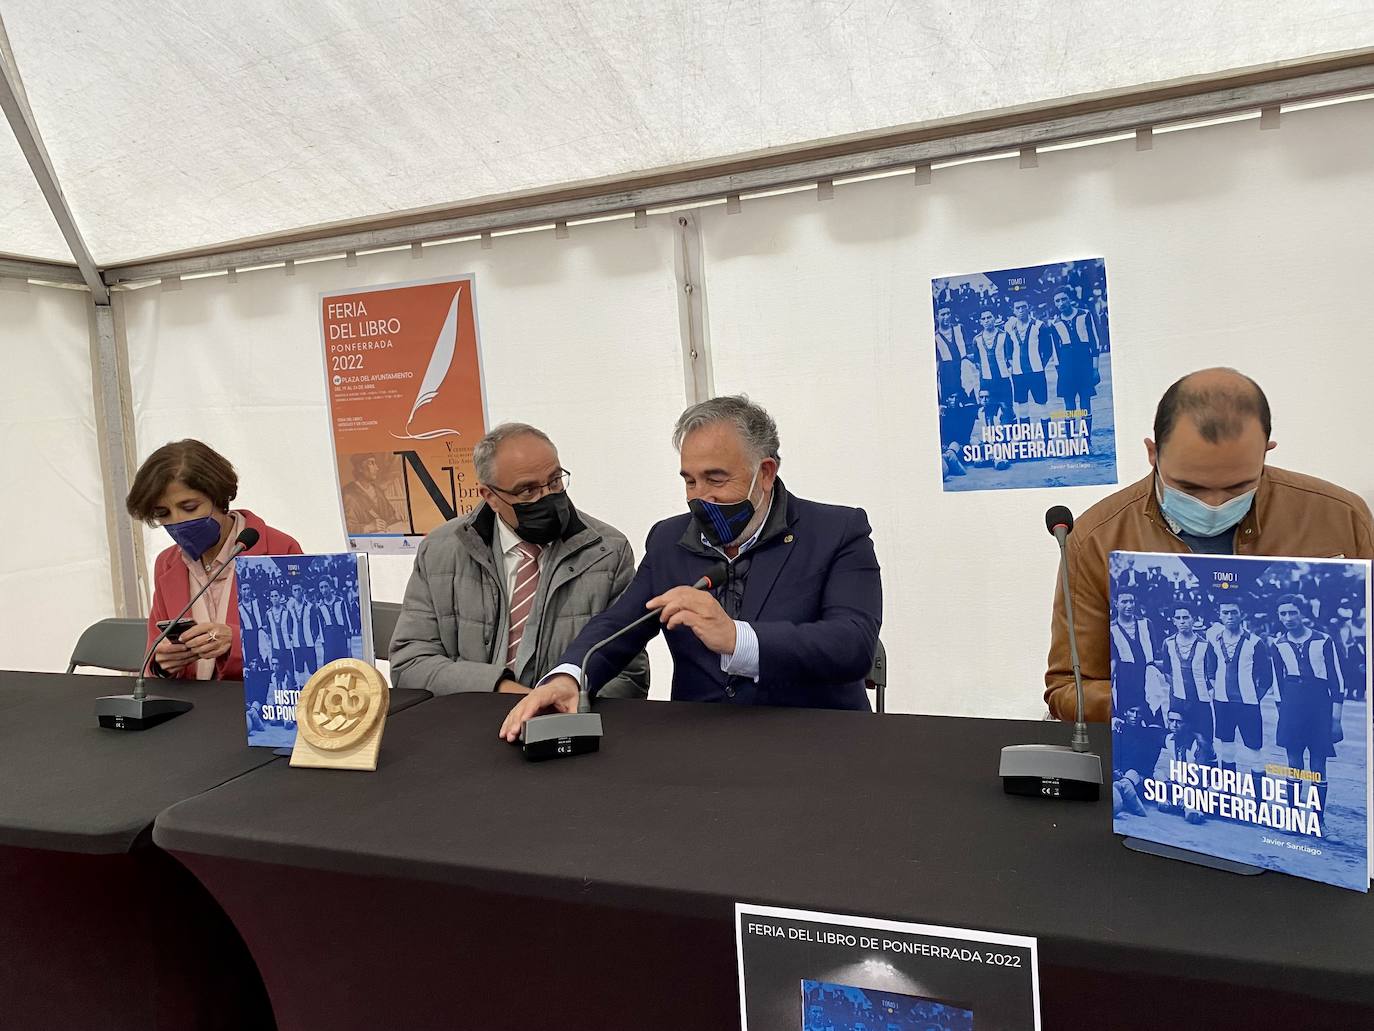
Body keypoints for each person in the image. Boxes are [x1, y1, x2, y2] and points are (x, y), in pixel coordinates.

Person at [499, 395, 883, 742]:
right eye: (690, 481)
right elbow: (620, 624)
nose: (701, 497)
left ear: (765, 473)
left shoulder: (836, 531)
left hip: (817, 741)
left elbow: (852, 645)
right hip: (701, 746)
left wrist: (737, 639)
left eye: (716, 478)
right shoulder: (669, 540)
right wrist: (570, 676)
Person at [1045, 368, 1374, 722]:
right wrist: (1149, 698)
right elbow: (1068, 687)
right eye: (1190, 488)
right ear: (1153, 453)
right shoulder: (1097, 537)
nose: (1214, 504)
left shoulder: (1341, 518)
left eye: (1237, 487)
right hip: (1170, 723)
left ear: (1266, 452)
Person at [391, 423, 648, 697]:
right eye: (527, 491)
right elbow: (410, 662)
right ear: (490, 497)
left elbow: (629, 676)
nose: (547, 497)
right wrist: (500, 688)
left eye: (555, 481)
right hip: (469, 714)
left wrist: (561, 704)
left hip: (568, 718)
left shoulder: (607, 552)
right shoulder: (441, 550)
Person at [126, 439, 302, 681]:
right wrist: (162, 664)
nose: (177, 521)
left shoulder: (280, 549)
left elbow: (302, 644)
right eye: (163, 513)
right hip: (189, 702)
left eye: (189, 507)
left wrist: (236, 642)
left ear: (219, 498)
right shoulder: (167, 563)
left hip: (258, 698)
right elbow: (154, 655)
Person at [1273, 594, 1345, 815]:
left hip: (1319, 704)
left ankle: (1318, 819)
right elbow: (1278, 683)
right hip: (1292, 704)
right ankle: (1293, 816)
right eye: (1283, 614)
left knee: (1318, 764)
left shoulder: (1323, 640)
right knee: (1294, 762)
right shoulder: (1278, 644)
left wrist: (1336, 719)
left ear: (1302, 613)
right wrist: (1283, 714)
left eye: (1292, 613)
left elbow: (1336, 680)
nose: (1288, 618)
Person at [1209, 599, 1274, 785]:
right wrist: (1218, 690)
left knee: (1254, 750)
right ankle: (1229, 796)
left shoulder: (1255, 642)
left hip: (1248, 704)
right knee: (1226, 748)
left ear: (1242, 615)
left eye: (1234, 612)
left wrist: (1254, 697)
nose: (1230, 616)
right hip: (1222, 704)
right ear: (1220, 615)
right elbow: (1210, 670)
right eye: (1225, 613)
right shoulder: (1214, 640)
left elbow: (1266, 677)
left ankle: (1259, 799)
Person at [1159, 603, 1217, 763]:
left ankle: (1206, 776)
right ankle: (1182, 775)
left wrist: (1205, 692)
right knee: (1180, 741)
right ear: (1173, 621)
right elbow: (1167, 671)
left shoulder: (1205, 645)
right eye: (1178, 618)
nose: (1182, 621)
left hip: (1200, 702)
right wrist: (1177, 688)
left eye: (1186, 617)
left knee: (1205, 742)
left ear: (1194, 619)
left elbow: (1212, 674)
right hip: (1178, 702)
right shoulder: (1168, 643)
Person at [1047, 287, 1100, 431]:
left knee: (1085, 401)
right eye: (1057, 301)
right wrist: (1059, 371)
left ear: (1070, 299)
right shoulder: (1055, 323)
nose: (1061, 303)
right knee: (1069, 403)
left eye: (1063, 299)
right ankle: (1070, 438)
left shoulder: (1085, 314)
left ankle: (1087, 438)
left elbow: (1094, 342)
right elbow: (1055, 350)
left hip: (1084, 362)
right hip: (1066, 365)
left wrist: (1095, 368)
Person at [341, 453, 402, 534]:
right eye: (371, 463)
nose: (377, 468)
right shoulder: (349, 493)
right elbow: (346, 527)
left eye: (375, 463)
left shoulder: (377, 490)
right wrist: (368, 527)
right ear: (360, 468)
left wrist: (396, 517)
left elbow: (389, 516)